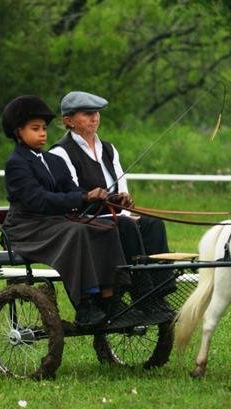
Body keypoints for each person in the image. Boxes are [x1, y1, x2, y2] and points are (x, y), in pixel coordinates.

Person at [0, 94, 129, 327]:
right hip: (27, 228)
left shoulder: (52, 160)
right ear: (18, 132)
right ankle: (86, 303)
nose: (42, 134)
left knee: (106, 227)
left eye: (44, 128)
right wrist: (82, 196)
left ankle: (111, 296)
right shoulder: (17, 163)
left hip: (54, 223)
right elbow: (38, 200)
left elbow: (74, 192)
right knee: (76, 232)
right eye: (35, 128)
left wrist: (111, 199)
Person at [49, 90, 174, 316]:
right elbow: (73, 194)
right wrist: (112, 210)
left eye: (96, 113)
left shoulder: (108, 148)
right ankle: (139, 292)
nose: (94, 117)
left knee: (152, 224)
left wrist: (125, 205)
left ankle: (157, 293)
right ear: (68, 121)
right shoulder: (60, 153)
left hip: (113, 216)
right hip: (84, 218)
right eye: (86, 114)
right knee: (125, 227)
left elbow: (120, 186)